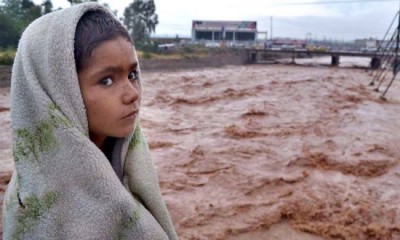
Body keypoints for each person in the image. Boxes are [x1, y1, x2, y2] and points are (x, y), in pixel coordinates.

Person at [2, 2, 178, 239]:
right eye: (106, 80)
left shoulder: (130, 165)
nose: (133, 93)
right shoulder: (37, 207)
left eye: (132, 74)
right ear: (60, 91)